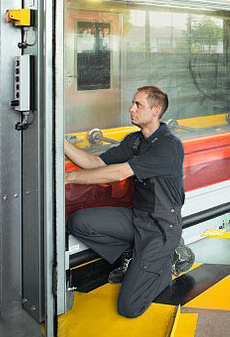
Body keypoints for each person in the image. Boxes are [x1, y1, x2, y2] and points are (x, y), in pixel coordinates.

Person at [65, 86, 194, 318]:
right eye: (132, 103)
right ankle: (135, 256)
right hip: (137, 218)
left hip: (161, 227)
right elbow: (95, 163)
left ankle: (167, 260)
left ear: (155, 111)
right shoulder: (135, 141)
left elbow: (117, 173)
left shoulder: (168, 146)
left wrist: (69, 178)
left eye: (138, 105)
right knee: (78, 222)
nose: (130, 108)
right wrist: (57, 140)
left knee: (129, 307)